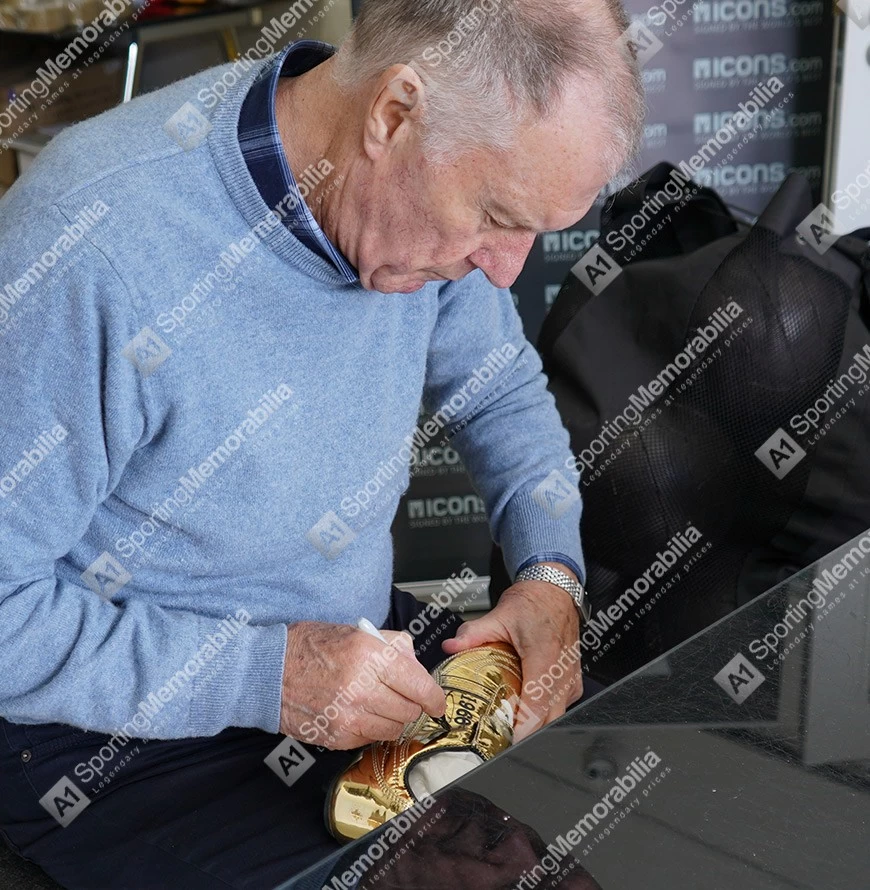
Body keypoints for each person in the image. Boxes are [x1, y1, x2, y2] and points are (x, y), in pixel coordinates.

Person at [0, 0, 643, 885]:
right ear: (393, 113)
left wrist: (550, 573)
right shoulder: (96, 248)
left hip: (349, 656)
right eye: (497, 214)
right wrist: (267, 676)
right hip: (110, 740)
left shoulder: (419, 217)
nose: (507, 269)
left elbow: (500, 392)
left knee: (653, 809)